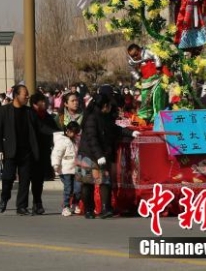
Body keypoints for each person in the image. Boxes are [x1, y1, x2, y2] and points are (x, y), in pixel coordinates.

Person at [76, 87, 140, 219]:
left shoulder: (106, 117)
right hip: (88, 155)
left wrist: (131, 132)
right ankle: (89, 209)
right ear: (105, 106)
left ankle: (106, 208)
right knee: (87, 183)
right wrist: (99, 156)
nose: (111, 107)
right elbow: (92, 139)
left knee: (105, 181)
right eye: (109, 105)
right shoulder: (91, 118)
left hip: (101, 154)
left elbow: (116, 129)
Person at [0, 84, 51, 216]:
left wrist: (58, 133)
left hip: (27, 152)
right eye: (25, 94)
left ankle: (22, 206)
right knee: (7, 178)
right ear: (16, 95)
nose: (27, 96)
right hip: (10, 152)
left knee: (25, 181)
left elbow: (41, 127)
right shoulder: (4, 111)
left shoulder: (29, 112)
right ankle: (5, 197)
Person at [127, 44, 170, 123]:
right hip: (146, 81)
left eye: (136, 54)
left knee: (157, 97)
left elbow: (156, 56)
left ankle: (158, 117)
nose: (135, 57)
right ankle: (144, 117)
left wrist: (158, 67)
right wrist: (138, 77)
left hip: (158, 78)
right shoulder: (132, 61)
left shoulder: (147, 52)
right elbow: (131, 69)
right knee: (145, 98)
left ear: (140, 50)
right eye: (133, 56)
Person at [52, 121, 82, 217]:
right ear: (67, 131)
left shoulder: (77, 140)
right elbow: (57, 154)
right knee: (68, 189)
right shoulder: (62, 141)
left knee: (78, 188)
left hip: (76, 169)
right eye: (73, 132)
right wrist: (56, 165)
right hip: (65, 170)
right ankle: (66, 206)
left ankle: (75, 203)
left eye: (76, 132)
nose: (75, 134)